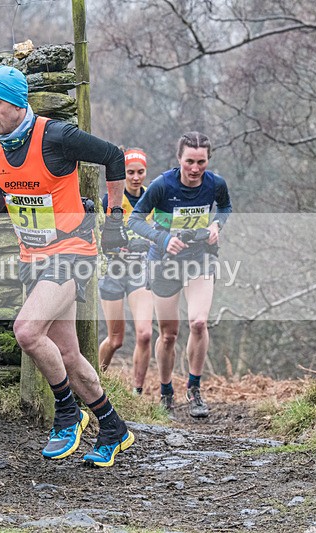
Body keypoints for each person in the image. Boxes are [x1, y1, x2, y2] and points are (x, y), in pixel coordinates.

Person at [0, 65, 134, 467]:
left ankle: (68, 414)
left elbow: (113, 156)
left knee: (26, 330)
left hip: (72, 251)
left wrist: (114, 219)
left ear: (19, 103)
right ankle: (113, 428)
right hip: (32, 256)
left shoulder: (57, 137)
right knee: (68, 355)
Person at [127, 132, 231, 418]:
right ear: (179, 160)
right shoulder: (162, 185)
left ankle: (194, 390)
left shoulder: (215, 184)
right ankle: (165, 392)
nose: (195, 168)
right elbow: (135, 219)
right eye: (189, 162)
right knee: (169, 335)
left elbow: (225, 207)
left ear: (208, 160)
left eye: (201, 162)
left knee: (198, 322)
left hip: (200, 258)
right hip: (164, 263)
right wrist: (162, 239)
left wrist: (216, 226)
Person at [98, 149, 154, 397]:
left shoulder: (152, 200)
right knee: (116, 340)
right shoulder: (107, 201)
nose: (135, 177)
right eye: (130, 172)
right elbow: (100, 239)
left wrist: (151, 244)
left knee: (145, 334)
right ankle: (96, 382)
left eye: (140, 172)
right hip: (112, 271)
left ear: (145, 172)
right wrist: (127, 245)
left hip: (139, 272)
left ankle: (137, 392)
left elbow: (161, 234)